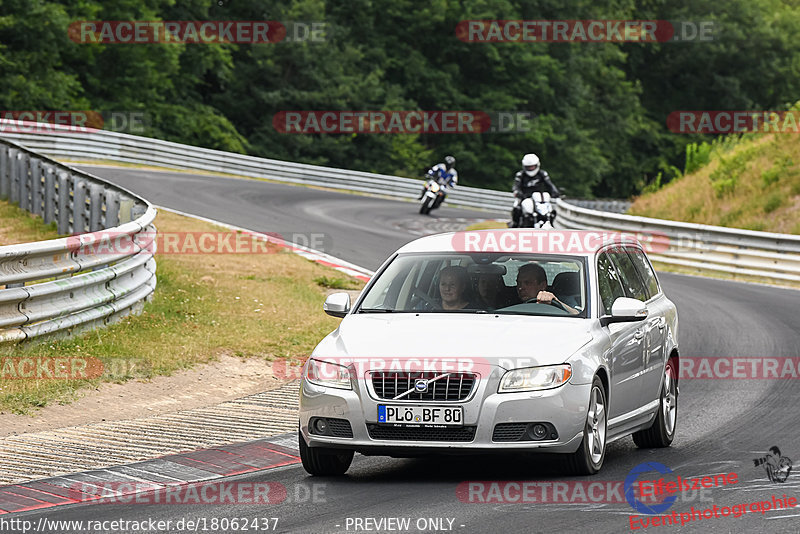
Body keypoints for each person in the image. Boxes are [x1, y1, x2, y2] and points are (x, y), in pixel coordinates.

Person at [510, 153, 560, 228]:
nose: (530, 169)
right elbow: (516, 186)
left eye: (532, 167)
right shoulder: (520, 175)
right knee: (516, 207)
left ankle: (550, 223)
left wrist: (555, 192)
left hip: (539, 198)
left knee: (551, 210)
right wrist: (517, 192)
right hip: (524, 197)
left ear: (537, 165)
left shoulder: (542, 174)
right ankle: (515, 224)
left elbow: (550, 185)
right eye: (528, 167)